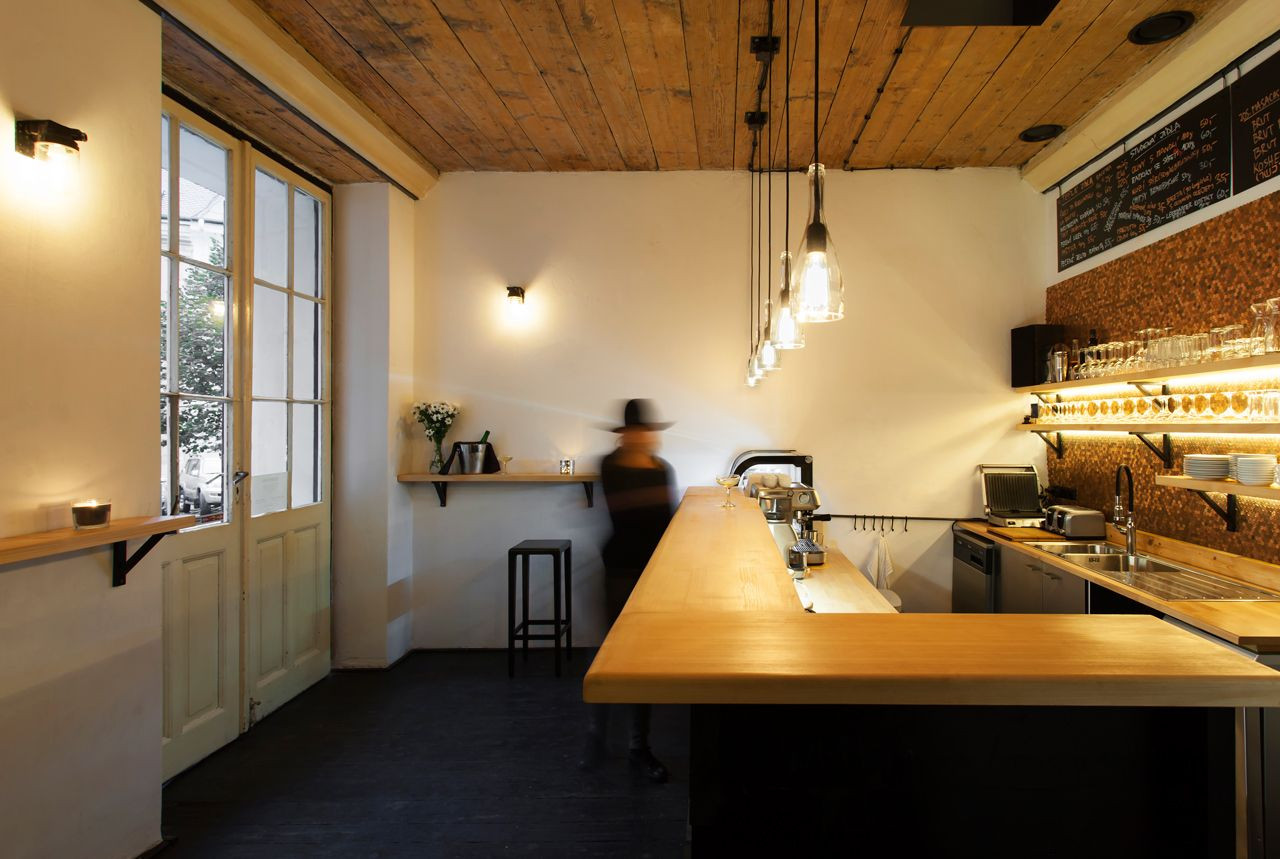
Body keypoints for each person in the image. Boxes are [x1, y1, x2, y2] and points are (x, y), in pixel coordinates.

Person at [579, 399, 676, 783]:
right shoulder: (611, 465)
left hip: (651, 574)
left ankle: (639, 747)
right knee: (609, 658)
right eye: (637, 432)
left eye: (645, 431)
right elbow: (624, 509)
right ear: (626, 434)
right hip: (620, 570)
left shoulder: (661, 468)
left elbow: (666, 520)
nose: (642, 438)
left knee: (642, 662)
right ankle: (596, 737)